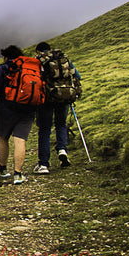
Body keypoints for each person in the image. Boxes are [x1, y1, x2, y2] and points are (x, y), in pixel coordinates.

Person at [0, 45, 40, 185]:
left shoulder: (1, 69)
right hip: (28, 107)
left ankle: (3, 169)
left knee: (3, 138)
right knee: (20, 140)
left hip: (6, 108)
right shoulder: (30, 68)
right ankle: (18, 174)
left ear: (6, 57)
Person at [33, 42, 82, 173]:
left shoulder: (39, 61)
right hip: (64, 96)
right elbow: (77, 76)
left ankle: (43, 164)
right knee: (61, 124)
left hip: (46, 98)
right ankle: (62, 150)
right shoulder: (63, 58)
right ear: (49, 49)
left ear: (38, 51)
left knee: (45, 129)